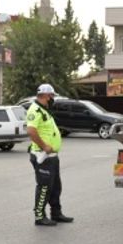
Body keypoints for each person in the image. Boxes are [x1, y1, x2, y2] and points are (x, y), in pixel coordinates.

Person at [26, 84, 73, 227]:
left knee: (55, 186)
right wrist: (44, 146)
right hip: (43, 156)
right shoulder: (35, 110)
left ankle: (56, 213)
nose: (53, 98)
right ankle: (39, 216)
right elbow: (31, 131)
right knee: (44, 187)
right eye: (52, 96)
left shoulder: (44, 110)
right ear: (46, 95)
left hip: (52, 157)